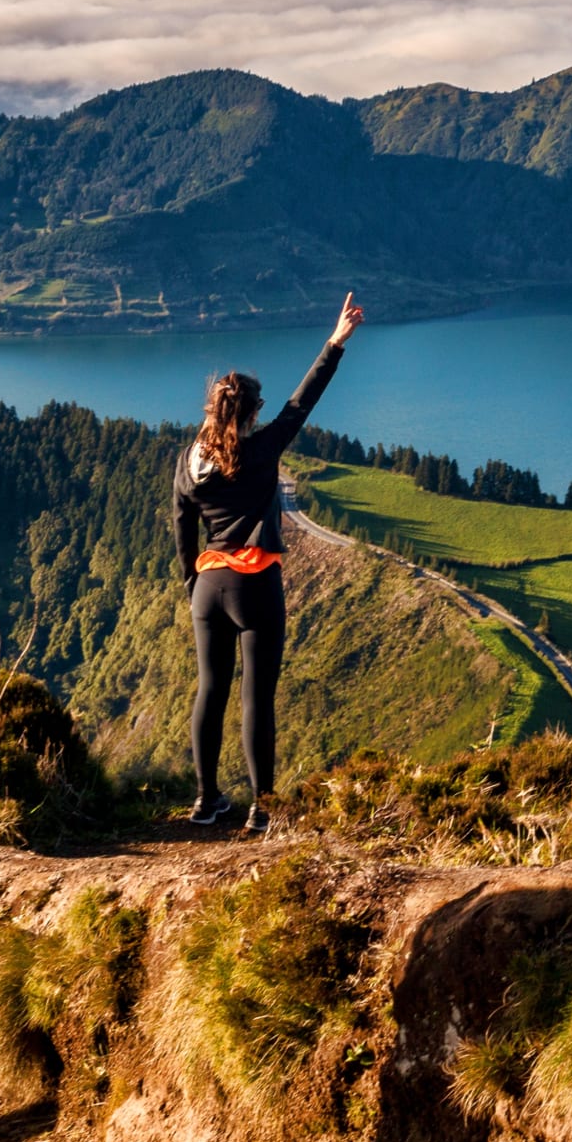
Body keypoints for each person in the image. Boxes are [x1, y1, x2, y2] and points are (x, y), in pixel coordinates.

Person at [173, 291, 364, 830]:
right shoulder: (261, 451)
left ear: (213, 410)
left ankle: (206, 801)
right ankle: (264, 809)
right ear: (253, 413)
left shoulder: (189, 460)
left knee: (210, 690)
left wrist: (192, 581)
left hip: (209, 588)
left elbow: (182, 524)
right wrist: (335, 341)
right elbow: (303, 402)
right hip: (256, 585)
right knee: (257, 697)